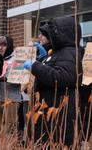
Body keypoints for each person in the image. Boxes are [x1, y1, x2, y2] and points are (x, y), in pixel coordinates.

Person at [23, 16, 83, 148]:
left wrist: (35, 66)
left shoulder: (69, 53)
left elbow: (62, 77)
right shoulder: (57, 52)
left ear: (64, 33)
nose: (51, 35)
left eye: (54, 31)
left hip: (57, 113)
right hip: (47, 111)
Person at [0, 35, 22, 134]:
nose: (1, 47)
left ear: (9, 46)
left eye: (4, 45)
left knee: (10, 128)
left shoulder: (18, 59)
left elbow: (20, 78)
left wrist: (6, 79)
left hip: (11, 98)